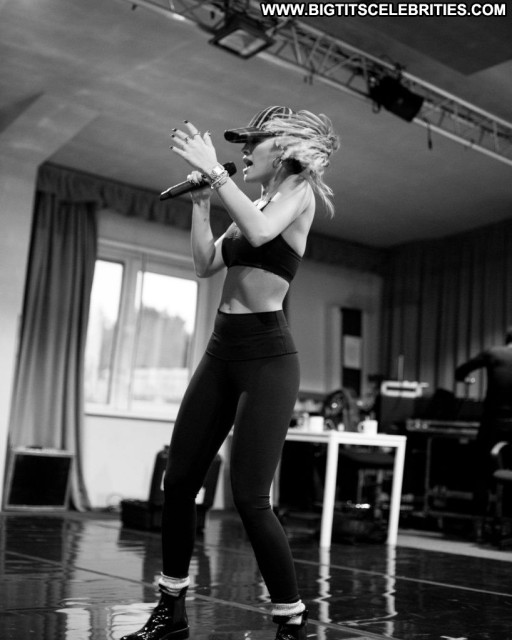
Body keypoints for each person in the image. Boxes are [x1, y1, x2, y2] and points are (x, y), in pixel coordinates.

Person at [121, 106, 339, 640]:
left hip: (267, 358)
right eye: (239, 147)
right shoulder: (254, 203)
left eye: (251, 144)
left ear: (282, 150)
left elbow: (261, 234)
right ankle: (171, 610)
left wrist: (216, 174)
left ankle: (291, 620)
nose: (242, 153)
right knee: (179, 483)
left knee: (249, 498)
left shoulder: (297, 194)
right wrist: (201, 205)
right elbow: (205, 264)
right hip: (222, 351)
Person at [455, 328, 512, 518]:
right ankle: (506, 519)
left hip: (492, 421)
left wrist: (464, 379)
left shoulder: (493, 353)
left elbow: (461, 371)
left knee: (482, 469)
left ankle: (478, 521)